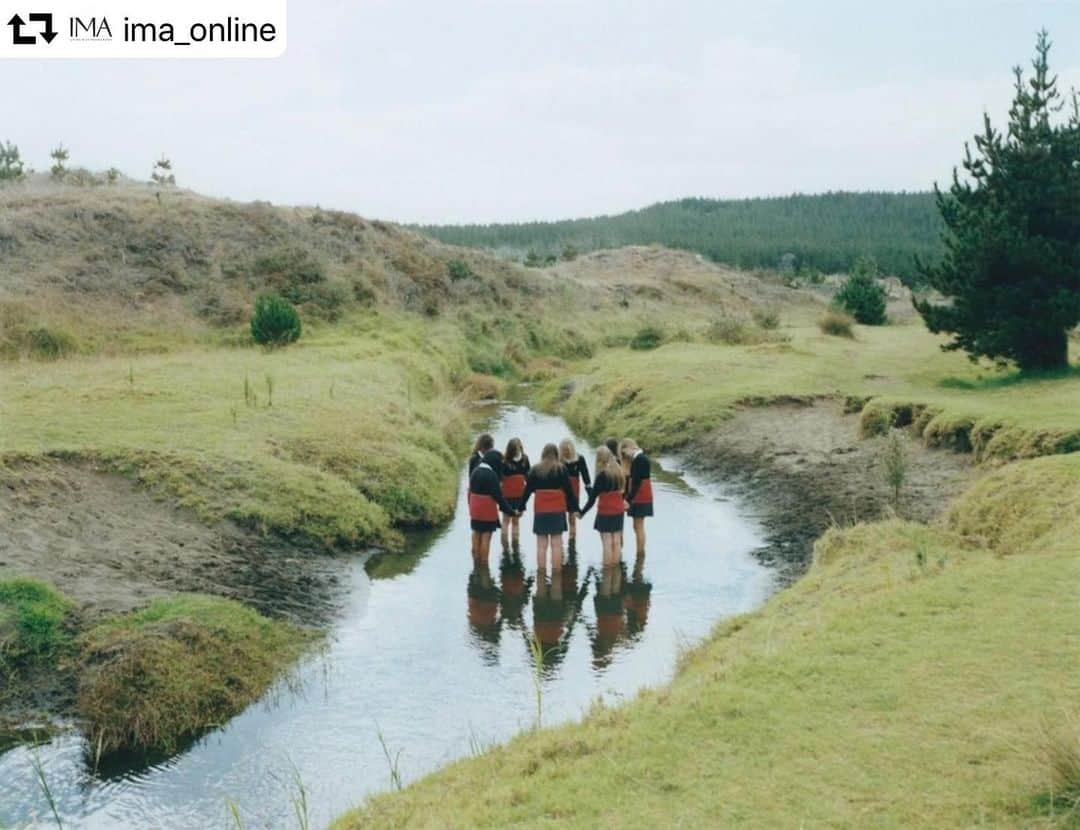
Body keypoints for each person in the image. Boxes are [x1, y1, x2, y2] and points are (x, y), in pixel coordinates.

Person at [520, 443, 579, 572]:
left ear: (543, 454)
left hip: (541, 510)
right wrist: (575, 509)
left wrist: (520, 507)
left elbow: (527, 491)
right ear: (556, 455)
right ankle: (556, 573)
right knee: (556, 544)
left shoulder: (535, 470)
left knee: (541, 546)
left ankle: (541, 573)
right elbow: (569, 491)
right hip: (557, 509)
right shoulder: (561, 469)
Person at [577, 446, 626, 566]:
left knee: (607, 543)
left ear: (599, 460)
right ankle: (616, 569)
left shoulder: (602, 476)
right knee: (616, 541)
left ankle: (607, 570)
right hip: (619, 510)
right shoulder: (619, 471)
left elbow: (592, 499)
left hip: (606, 511)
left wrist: (582, 512)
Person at [468, 448, 517, 562]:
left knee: (476, 533)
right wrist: (512, 512)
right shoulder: (491, 475)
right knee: (486, 537)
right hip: (487, 511)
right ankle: (484, 564)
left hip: (475, 509)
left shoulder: (475, 471)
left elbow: (470, 491)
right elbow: (499, 498)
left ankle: (476, 561)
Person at [619, 438, 653, 557]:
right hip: (640, 494)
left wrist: (628, 499)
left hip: (640, 495)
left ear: (630, 447)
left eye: (624, 452)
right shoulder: (639, 458)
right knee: (637, 525)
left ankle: (640, 553)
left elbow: (637, 482)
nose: (625, 455)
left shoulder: (639, 459)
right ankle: (640, 553)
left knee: (638, 526)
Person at [559, 439, 591, 546]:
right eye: (565, 451)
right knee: (560, 513)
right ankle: (560, 539)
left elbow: (585, 474)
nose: (567, 453)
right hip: (561, 490)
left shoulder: (580, 459)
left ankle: (572, 538)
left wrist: (589, 490)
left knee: (572, 514)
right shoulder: (559, 460)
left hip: (574, 490)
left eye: (568, 451)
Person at [500, 438, 530, 551]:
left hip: (514, 495)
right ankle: (510, 546)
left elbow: (528, 476)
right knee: (510, 520)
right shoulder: (522, 459)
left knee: (511, 520)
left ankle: (510, 546)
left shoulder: (505, 460)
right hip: (513, 495)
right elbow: (528, 477)